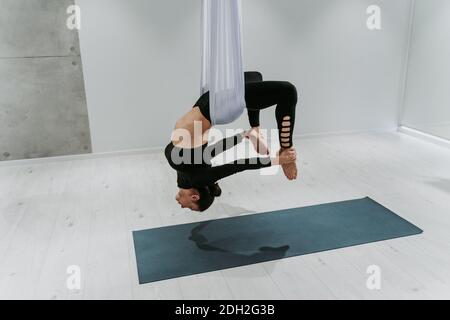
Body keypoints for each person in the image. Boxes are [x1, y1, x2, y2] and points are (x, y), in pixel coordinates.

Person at [165, 73, 299, 212]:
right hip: (215, 107)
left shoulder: (186, 177)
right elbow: (237, 165)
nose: (182, 206)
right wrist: (277, 160)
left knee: (254, 77)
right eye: (191, 208)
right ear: (195, 198)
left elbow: (215, 149)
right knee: (288, 91)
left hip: (206, 104)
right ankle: (285, 148)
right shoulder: (198, 180)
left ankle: (254, 129)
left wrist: (242, 135)